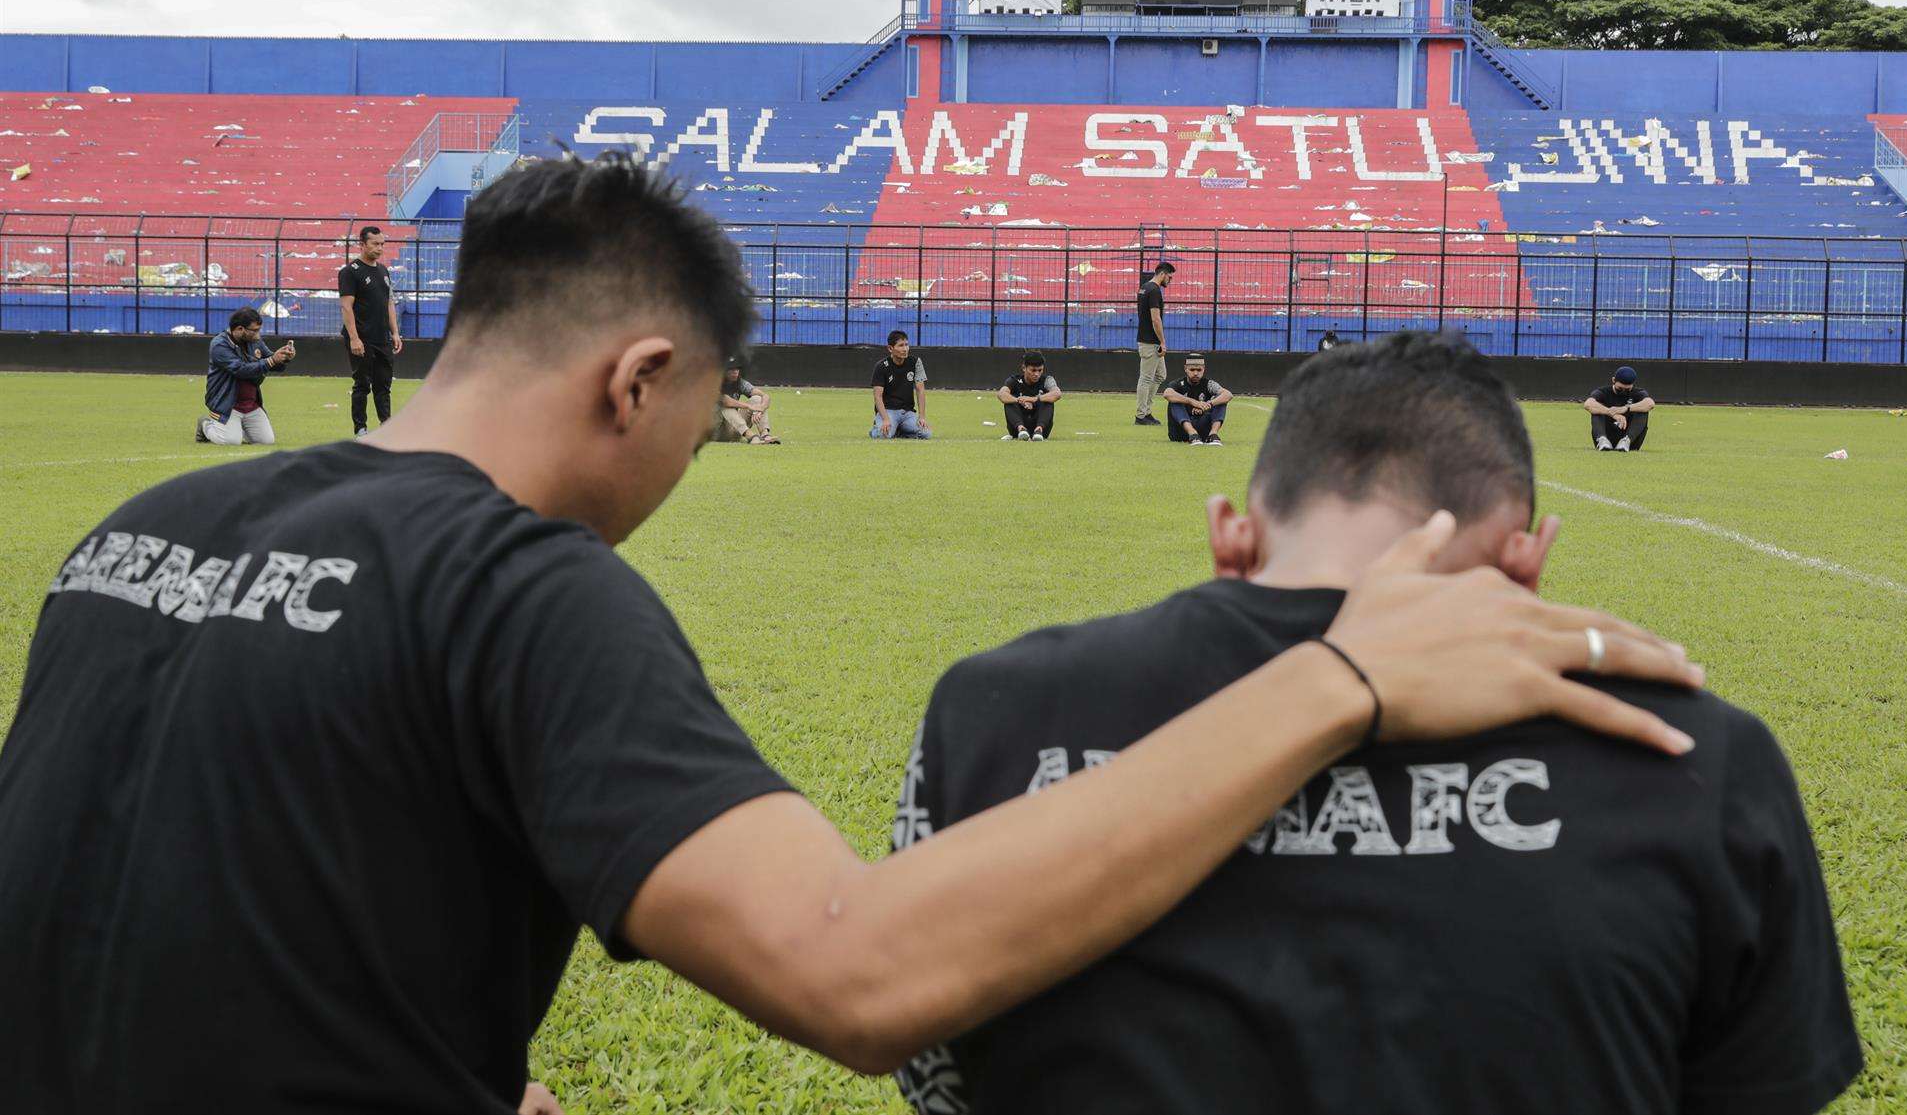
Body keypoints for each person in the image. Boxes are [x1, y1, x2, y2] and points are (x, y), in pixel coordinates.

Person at [0, 156, 1704, 1115]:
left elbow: (162, 927)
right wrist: (1339, 676)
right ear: (641, 380)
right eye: (708, 410)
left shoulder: (139, 531)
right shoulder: (518, 586)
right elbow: (860, 972)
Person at [893, 332, 1857, 1115]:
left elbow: (933, 1067)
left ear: (1232, 532)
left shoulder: (993, 707)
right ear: (1527, 560)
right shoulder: (1698, 752)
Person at [195, 306, 294, 446]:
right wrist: (272, 360)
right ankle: (206, 425)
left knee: (266, 441)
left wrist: (284, 357)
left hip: (250, 404)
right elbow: (240, 370)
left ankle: (236, 427)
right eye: (255, 330)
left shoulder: (255, 341)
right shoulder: (219, 345)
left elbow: (271, 362)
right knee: (230, 441)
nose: (258, 334)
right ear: (240, 329)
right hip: (227, 404)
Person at [339, 224, 402, 436]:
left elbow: (389, 303)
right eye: (375, 244)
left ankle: (387, 427)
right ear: (362, 244)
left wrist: (395, 332)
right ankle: (361, 429)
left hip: (382, 338)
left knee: (383, 386)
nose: (379, 248)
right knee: (362, 384)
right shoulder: (350, 272)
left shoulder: (383, 271)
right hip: (362, 338)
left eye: (382, 244)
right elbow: (346, 306)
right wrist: (354, 338)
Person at [871, 330, 932, 439]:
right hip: (888, 411)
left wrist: (922, 417)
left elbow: (920, 390)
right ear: (890, 348)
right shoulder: (881, 366)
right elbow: (877, 396)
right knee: (882, 435)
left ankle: (898, 430)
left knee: (926, 434)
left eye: (906, 345)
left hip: (907, 413)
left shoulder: (916, 362)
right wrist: (885, 419)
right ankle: (877, 428)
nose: (905, 349)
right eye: (901, 346)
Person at [1134, 261, 1174, 425]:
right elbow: (1155, 319)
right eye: (1169, 277)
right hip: (1150, 342)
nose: (1170, 281)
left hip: (1147, 340)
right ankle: (1141, 415)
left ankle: (1146, 410)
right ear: (1163, 274)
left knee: (1160, 375)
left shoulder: (1144, 287)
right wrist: (1163, 342)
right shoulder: (1154, 291)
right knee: (1146, 378)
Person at [1164, 355, 1233, 445]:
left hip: (1202, 430)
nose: (1196, 373)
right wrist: (1194, 402)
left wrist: (1209, 404)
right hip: (1180, 433)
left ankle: (1213, 435)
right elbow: (1167, 393)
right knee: (1174, 401)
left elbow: (1228, 394)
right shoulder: (1178, 384)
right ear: (1185, 369)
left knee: (1221, 400)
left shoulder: (1208, 384)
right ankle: (1192, 434)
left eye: (1199, 370)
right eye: (1192, 370)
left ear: (1203, 369)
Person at [1586, 365, 1654, 450]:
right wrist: (1611, 413)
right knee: (1597, 409)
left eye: (1627, 389)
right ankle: (1602, 440)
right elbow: (1588, 404)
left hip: (1630, 441)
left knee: (1643, 409)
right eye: (1620, 388)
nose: (1623, 392)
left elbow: (1650, 403)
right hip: (1607, 435)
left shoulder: (1638, 393)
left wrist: (1626, 408)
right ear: (1613, 380)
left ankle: (1626, 441)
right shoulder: (1603, 392)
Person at [997, 352, 1062, 441]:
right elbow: (1001, 394)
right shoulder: (1014, 380)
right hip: (1017, 428)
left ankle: (1038, 430)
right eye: (1033, 370)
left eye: (1040, 370)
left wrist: (1034, 399)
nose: (1037, 374)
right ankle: (1021, 429)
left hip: (1042, 428)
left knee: (1048, 400)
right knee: (1009, 401)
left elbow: (1057, 394)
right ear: (1024, 368)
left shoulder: (1047, 380)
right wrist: (1019, 400)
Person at [716, 360, 778, 444]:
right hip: (714, 431)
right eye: (731, 369)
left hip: (732, 429)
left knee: (757, 399)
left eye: (737, 369)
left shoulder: (739, 382)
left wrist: (760, 409)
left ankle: (765, 435)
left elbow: (765, 396)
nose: (735, 371)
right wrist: (749, 406)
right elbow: (725, 401)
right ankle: (751, 436)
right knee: (725, 406)